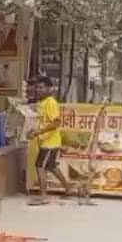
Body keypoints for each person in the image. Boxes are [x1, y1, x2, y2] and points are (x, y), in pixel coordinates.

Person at [29, 75, 72, 205]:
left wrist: (39, 132)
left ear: (49, 89)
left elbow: (56, 122)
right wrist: (34, 132)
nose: (38, 90)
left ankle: (44, 196)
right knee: (51, 166)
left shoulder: (51, 103)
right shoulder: (42, 103)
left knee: (39, 166)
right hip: (46, 141)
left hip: (50, 143)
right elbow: (42, 122)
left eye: (41, 87)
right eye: (37, 87)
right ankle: (69, 188)